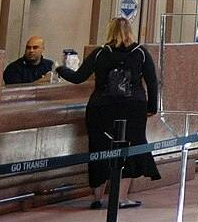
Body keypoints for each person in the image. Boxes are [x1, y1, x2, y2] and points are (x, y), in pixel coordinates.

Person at [57, 18, 160, 208]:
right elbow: (152, 82)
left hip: (101, 107)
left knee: (99, 149)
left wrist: (59, 67)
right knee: (129, 149)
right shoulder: (140, 53)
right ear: (131, 31)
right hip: (133, 108)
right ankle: (121, 198)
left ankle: (97, 198)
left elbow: (78, 77)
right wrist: (152, 107)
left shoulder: (100, 53)